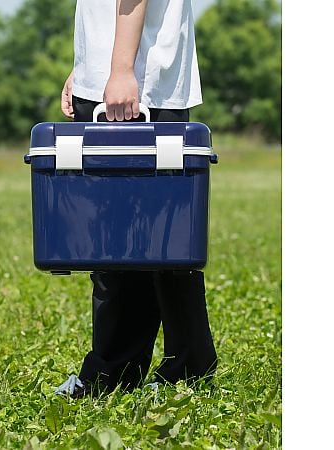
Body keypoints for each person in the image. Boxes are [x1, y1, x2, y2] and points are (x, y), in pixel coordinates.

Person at [56, 0, 217, 398]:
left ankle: (111, 376)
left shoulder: (125, 75)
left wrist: (120, 70)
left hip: (135, 82)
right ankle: (187, 369)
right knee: (164, 242)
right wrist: (86, 66)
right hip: (133, 77)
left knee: (121, 243)